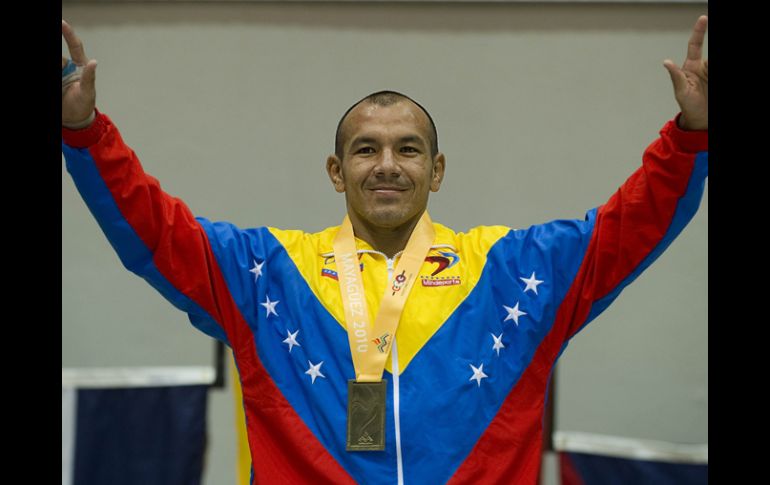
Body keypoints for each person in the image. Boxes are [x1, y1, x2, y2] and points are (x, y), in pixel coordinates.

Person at [61, 15, 708, 485]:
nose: (387, 165)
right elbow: (153, 230)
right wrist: (85, 132)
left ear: (438, 169)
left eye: (408, 148)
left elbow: (629, 227)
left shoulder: (512, 271)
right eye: (366, 148)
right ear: (336, 171)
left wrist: (691, 135)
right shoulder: (267, 274)